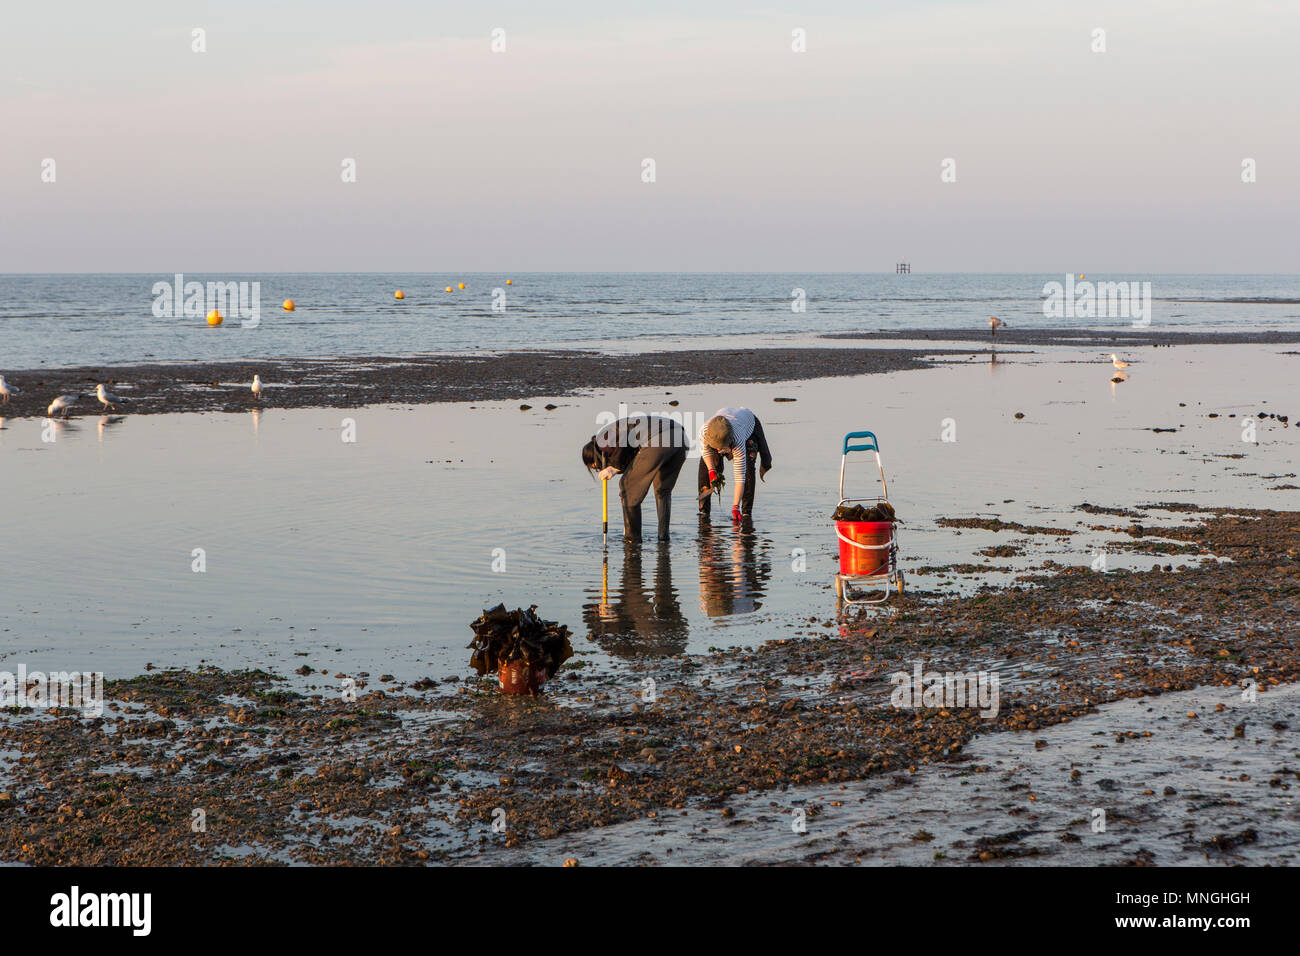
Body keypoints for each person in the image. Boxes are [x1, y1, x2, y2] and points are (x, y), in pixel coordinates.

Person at [581, 415, 687, 542]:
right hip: (680, 437)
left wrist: (614, 467)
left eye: (596, 467)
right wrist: (617, 467)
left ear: (594, 456)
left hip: (658, 438)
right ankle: (663, 538)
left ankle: (632, 541)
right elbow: (633, 460)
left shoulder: (602, 440)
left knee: (627, 487)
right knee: (662, 490)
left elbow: (624, 437)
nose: (599, 469)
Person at [697, 407, 773, 522]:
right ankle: (704, 512)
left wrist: (735, 507)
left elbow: (739, 477)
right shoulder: (704, 431)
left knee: (748, 469)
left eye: (721, 447)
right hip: (723, 427)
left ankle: (746, 514)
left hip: (749, 426)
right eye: (716, 447)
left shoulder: (738, 438)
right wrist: (712, 471)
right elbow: (706, 453)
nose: (718, 449)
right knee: (704, 471)